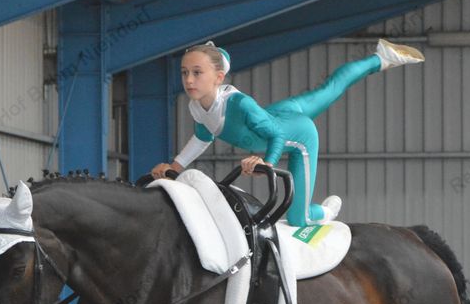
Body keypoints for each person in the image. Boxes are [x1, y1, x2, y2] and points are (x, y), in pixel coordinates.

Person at [151, 39, 424, 226]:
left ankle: (325, 211)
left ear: (219, 77)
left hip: (297, 134)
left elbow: (276, 137)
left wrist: (266, 164)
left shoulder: (239, 103)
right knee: (329, 89)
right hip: (280, 113)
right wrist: (175, 166)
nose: (188, 80)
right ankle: (382, 57)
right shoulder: (197, 106)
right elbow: (203, 137)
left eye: (197, 73)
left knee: (298, 219)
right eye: (184, 72)